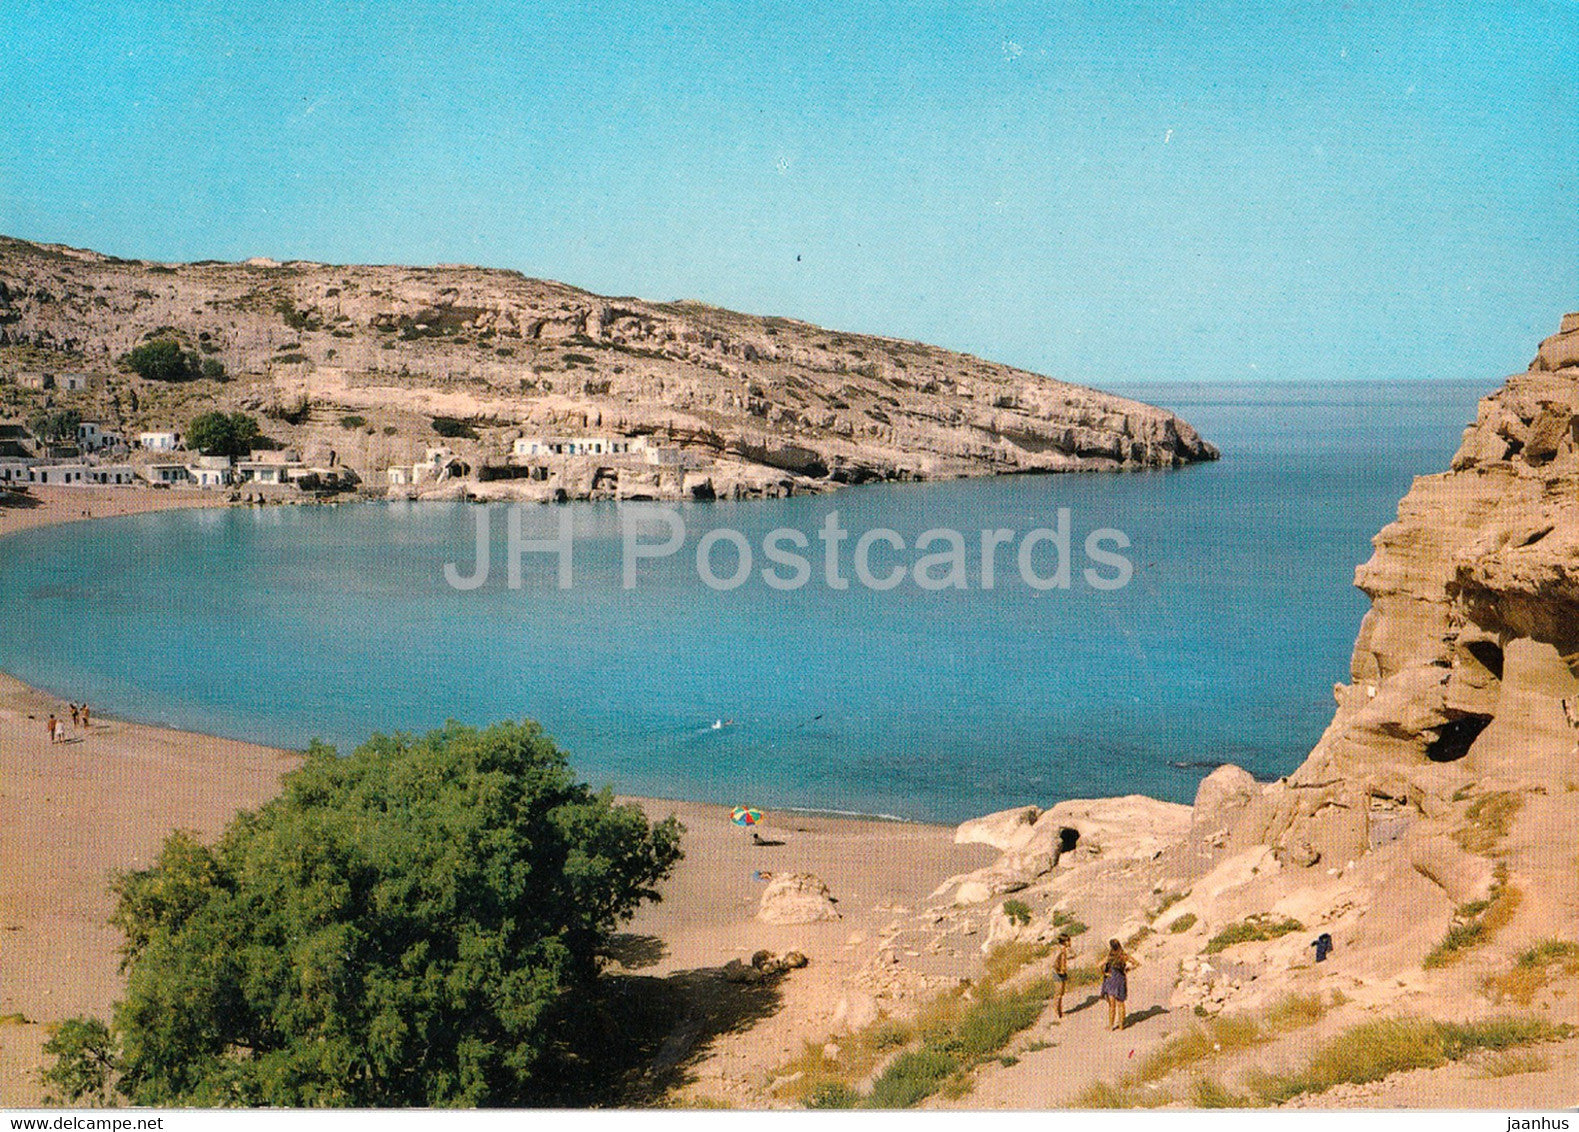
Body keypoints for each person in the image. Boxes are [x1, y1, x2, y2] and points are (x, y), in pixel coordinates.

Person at [1100, 938, 1138, 1031]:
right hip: (1121, 979)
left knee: (1112, 1005)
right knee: (1121, 1004)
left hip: (1111, 980)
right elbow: (1136, 963)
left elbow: (1099, 965)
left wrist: (1105, 973)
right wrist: (1127, 970)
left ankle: (1111, 1026)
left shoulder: (1110, 957)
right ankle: (1121, 1026)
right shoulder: (1124, 956)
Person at [1052, 932, 1073, 1019]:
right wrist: (1058, 970)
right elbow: (1054, 961)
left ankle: (1059, 1011)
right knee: (1058, 993)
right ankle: (1057, 1012)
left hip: (1062, 972)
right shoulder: (1060, 950)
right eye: (1068, 941)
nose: (1070, 943)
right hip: (1059, 973)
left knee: (1061, 992)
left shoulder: (1063, 950)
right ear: (1064, 942)